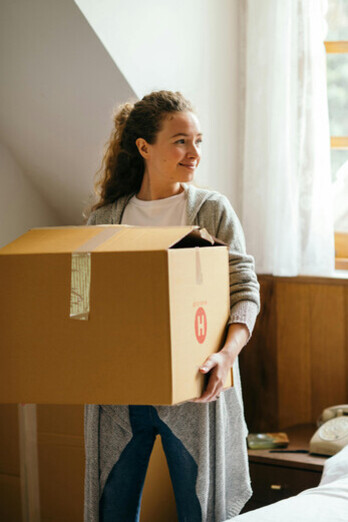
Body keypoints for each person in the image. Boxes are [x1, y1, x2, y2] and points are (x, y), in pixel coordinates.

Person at [84, 90, 260, 522]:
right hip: (118, 392)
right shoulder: (106, 219)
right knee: (113, 510)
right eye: (181, 140)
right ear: (144, 147)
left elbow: (245, 291)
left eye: (199, 140)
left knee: (200, 510)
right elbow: (83, 301)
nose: (194, 152)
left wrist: (226, 355)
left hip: (196, 390)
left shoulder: (211, 210)